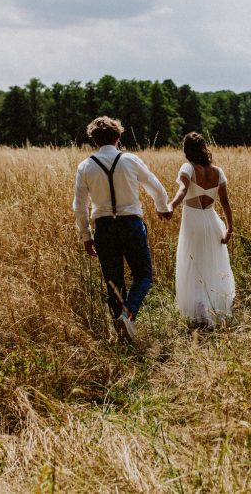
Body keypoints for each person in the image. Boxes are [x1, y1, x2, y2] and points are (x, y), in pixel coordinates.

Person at [73, 116, 171, 342]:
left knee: (114, 282)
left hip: (104, 228)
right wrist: (162, 207)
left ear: (94, 140)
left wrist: (86, 236)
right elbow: (156, 187)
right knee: (143, 274)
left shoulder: (85, 166)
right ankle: (127, 317)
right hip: (131, 224)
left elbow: (79, 206)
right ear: (118, 137)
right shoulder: (130, 160)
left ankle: (122, 332)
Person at [167, 132, 235, 328]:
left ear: (186, 150)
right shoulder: (218, 172)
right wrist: (229, 228)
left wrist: (171, 205)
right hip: (213, 222)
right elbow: (225, 202)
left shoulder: (188, 167)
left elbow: (182, 190)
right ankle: (212, 307)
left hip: (193, 223)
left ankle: (199, 311)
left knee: (193, 266)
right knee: (211, 266)